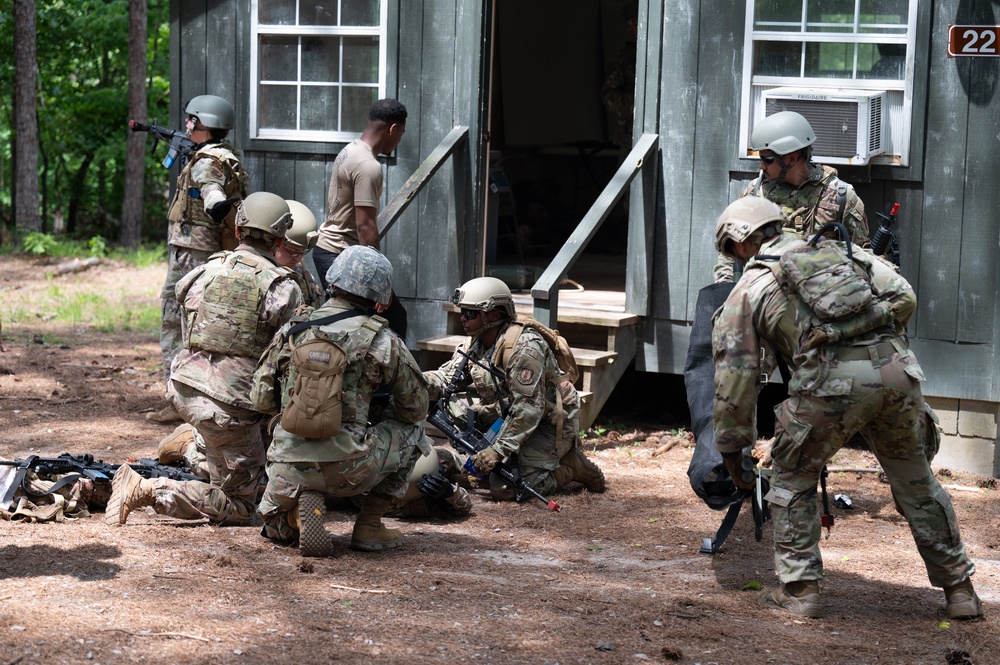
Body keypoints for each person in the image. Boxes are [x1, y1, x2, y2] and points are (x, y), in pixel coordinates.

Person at [710, 197, 982, 620]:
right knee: (917, 483)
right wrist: (867, 342)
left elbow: (735, 381)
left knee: (790, 477)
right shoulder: (842, 253)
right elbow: (903, 296)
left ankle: (800, 592)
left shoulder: (746, 290)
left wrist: (733, 448)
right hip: (895, 370)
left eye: (731, 249)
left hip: (828, 385)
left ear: (741, 242)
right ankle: (960, 590)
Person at [106, 192, 303, 527]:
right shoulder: (283, 289)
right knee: (241, 504)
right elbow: (289, 362)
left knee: (235, 448)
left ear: (238, 231)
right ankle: (149, 489)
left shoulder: (205, 270)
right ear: (280, 240)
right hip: (228, 407)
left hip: (183, 388)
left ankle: (195, 446)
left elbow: (187, 317)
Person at [249, 245, 429, 556]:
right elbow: (416, 408)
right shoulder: (383, 341)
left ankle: (293, 513)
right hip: (349, 470)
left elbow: (261, 398)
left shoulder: (294, 329)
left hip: (286, 467)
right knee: (414, 430)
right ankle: (369, 526)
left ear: (333, 281)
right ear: (380, 297)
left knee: (277, 532)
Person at [424, 277, 606, 501]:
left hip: (548, 422)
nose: (462, 318)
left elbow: (529, 409)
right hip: (509, 413)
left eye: (471, 313)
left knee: (508, 487)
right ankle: (485, 467)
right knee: (455, 410)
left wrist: (496, 452)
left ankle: (571, 467)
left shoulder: (525, 348)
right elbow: (445, 379)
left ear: (494, 315)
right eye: (463, 311)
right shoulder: (475, 343)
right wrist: (409, 381)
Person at [148, 94, 248, 424]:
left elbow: (210, 190)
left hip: (193, 254)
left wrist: (214, 202)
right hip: (210, 250)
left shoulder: (208, 161)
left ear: (203, 124)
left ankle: (181, 400)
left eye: (192, 120)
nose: (187, 125)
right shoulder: (226, 155)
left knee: (178, 322)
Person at [714, 111, 869, 283]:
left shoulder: (841, 197)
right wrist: (726, 287)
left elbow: (864, 259)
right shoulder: (755, 193)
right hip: (764, 298)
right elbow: (730, 253)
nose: (761, 166)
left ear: (791, 159)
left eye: (767, 159)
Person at [313, 98, 409, 338]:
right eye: (401, 133)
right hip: (341, 254)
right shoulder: (368, 165)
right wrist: (380, 282)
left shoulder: (351, 150)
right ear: (392, 129)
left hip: (329, 251)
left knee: (350, 324)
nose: (399, 140)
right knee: (394, 320)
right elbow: (365, 227)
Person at [276, 199, 326, 308]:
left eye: (302, 252)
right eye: (293, 251)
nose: (298, 258)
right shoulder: (255, 274)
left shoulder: (305, 277)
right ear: (275, 241)